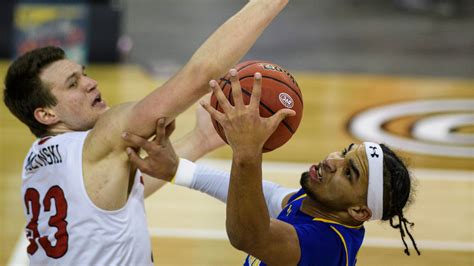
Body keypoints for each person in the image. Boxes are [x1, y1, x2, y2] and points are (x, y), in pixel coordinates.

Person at [3, 0, 291, 264]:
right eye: (72, 84)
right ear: (46, 114)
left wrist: (200, 139)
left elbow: (124, 190)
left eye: (84, 74)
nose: (90, 83)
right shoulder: (106, 134)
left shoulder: (39, 159)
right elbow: (200, 76)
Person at [122, 69, 421, 265]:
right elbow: (266, 196)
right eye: (344, 153)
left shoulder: (328, 245)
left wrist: (247, 151)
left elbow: (248, 236)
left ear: (358, 212)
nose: (332, 161)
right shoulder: (318, 203)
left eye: (348, 172)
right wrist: (178, 170)